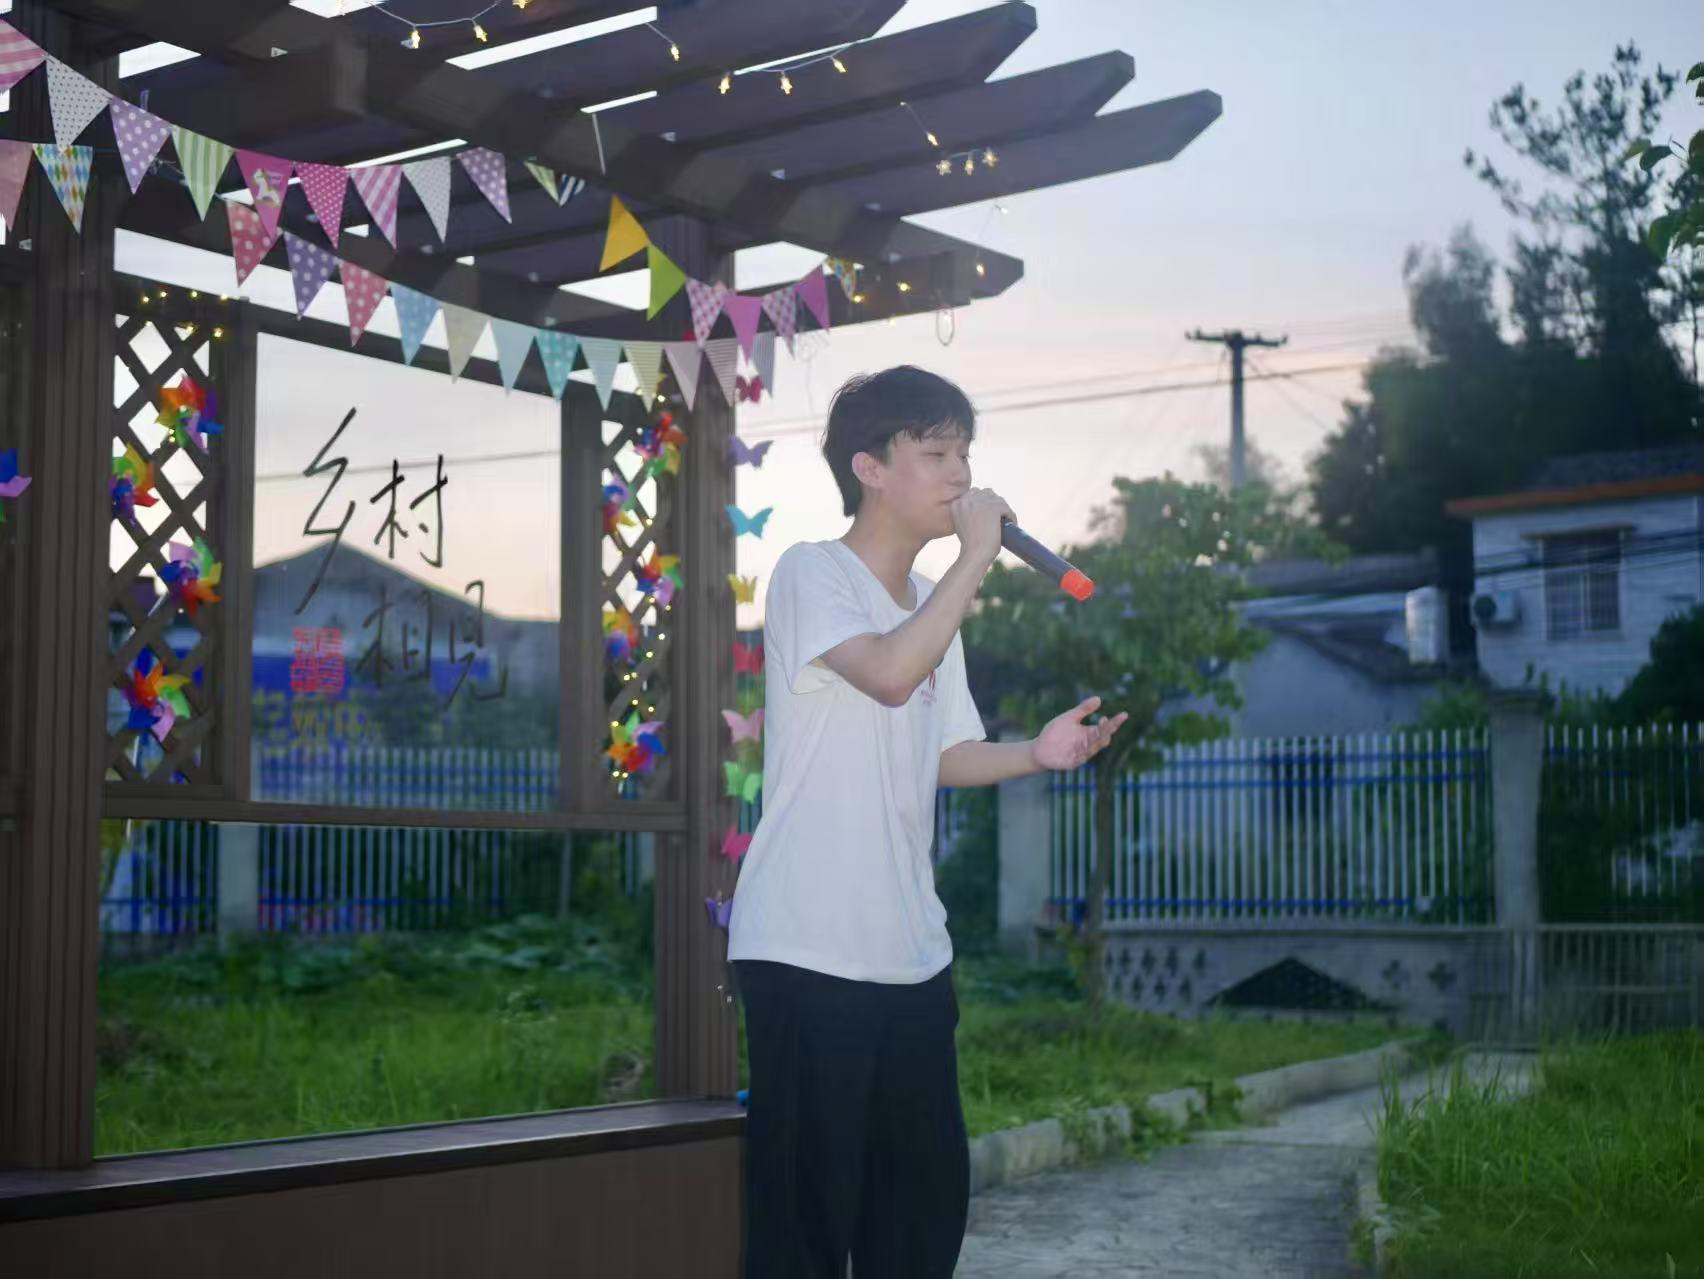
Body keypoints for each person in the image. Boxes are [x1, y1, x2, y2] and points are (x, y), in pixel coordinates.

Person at [726, 366, 1128, 1277]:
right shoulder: (812, 572)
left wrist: (1036, 753)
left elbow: (944, 751)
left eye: (965, 454)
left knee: (921, 1213)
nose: (961, 475)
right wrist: (974, 558)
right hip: (807, 944)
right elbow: (887, 673)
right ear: (869, 467)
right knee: (805, 1224)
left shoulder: (929, 608)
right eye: (938, 452)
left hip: (912, 948)